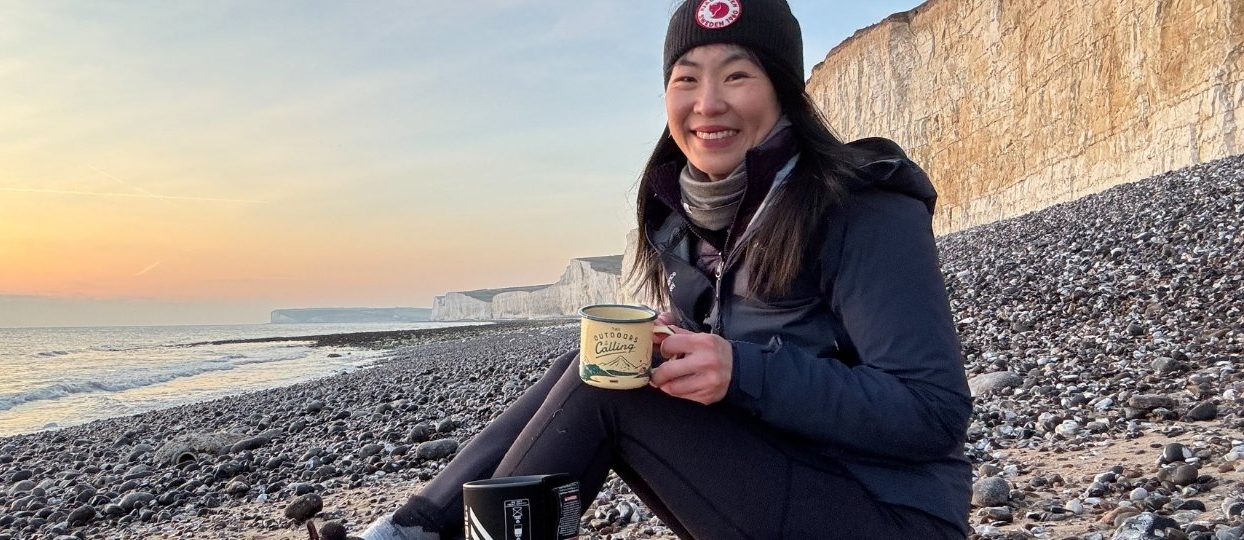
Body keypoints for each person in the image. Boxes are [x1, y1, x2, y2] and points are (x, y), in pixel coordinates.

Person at [354, 1, 972, 538]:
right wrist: (693, 348)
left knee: (612, 388)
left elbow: (931, 412)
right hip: (783, 479)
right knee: (604, 359)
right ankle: (411, 528)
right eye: (686, 79)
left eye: (738, 75)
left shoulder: (860, 203)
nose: (708, 103)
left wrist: (738, 370)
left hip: (884, 512)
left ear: (782, 90)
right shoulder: (689, 223)